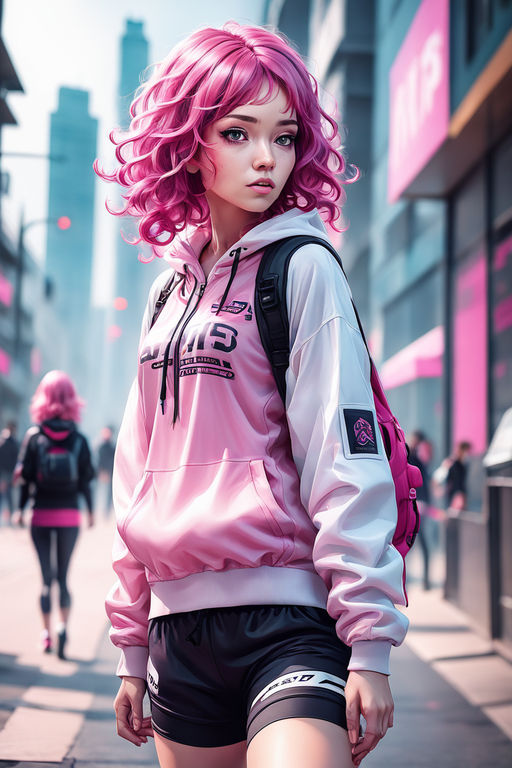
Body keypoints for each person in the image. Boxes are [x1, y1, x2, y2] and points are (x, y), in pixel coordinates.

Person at [96, 22, 409, 768]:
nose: (267, 158)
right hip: (181, 631)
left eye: (285, 135)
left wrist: (369, 643)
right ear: (187, 140)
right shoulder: (166, 293)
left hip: (290, 618)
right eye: (238, 133)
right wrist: (130, 649)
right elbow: (134, 475)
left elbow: (345, 451)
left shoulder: (304, 268)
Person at [16, 370, 95, 659]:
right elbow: (86, 479)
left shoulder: (34, 436)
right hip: (69, 517)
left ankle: (46, 634)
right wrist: (89, 511)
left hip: (41, 516)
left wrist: (21, 510)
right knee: (63, 577)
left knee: (45, 580)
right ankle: (63, 628)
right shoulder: (79, 439)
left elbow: (25, 478)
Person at [407, 430, 433, 590]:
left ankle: (425, 579)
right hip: (411, 504)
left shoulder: (418, 459)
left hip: (419, 505)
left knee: (419, 543)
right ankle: (406, 578)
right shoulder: (408, 456)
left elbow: (425, 485)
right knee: (409, 543)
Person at [0, 421, 19, 525]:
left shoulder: (10, 441)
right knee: (6, 496)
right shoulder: (5, 441)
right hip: (5, 473)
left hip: (9, 473)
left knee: (8, 496)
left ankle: (9, 518)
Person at [445, 441, 472, 511]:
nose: (468, 454)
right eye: (466, 451)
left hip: (460, 496)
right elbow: (453, 482)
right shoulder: (455, 465)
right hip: (456, 497)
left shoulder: (463, 465)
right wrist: (459, 496)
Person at [96, 426, 116, 517]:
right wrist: (101, 473)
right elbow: (99, 462)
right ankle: (102, 512)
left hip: (112, 473)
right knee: (102, 493)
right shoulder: (101, 447)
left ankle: (107, 512)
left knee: (110, 494)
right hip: (104, 473)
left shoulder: (113, 446)